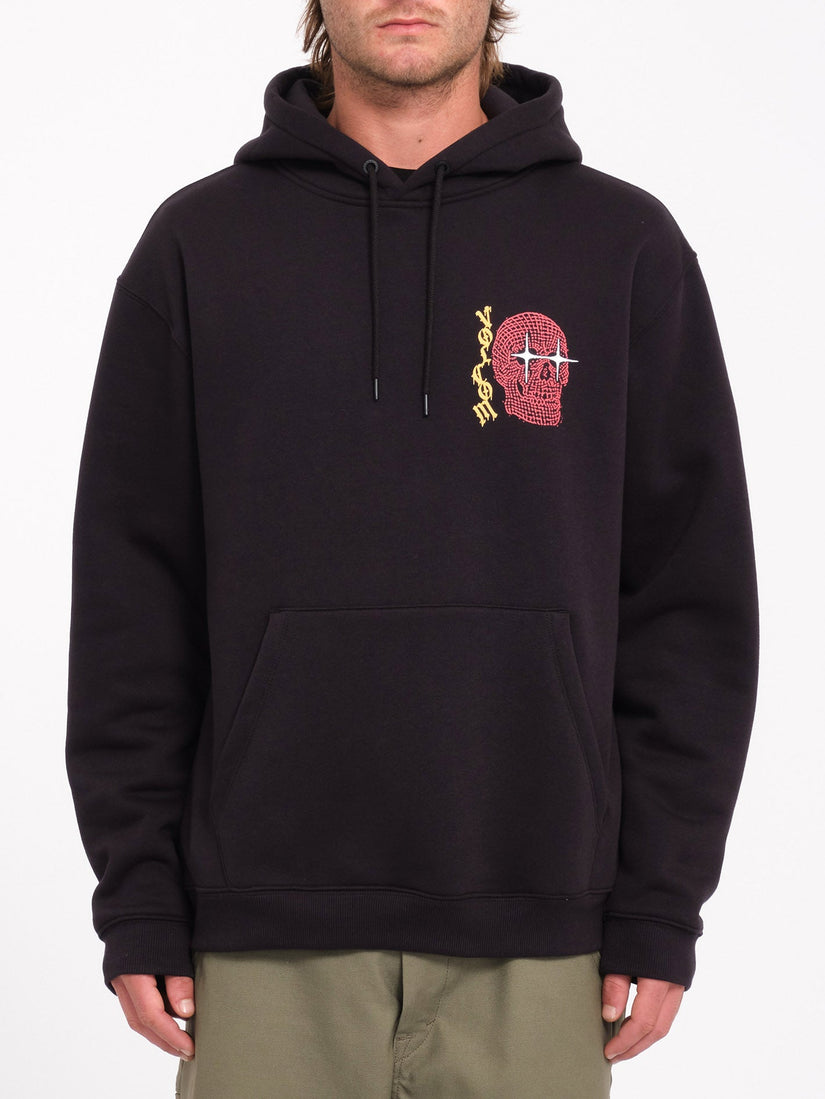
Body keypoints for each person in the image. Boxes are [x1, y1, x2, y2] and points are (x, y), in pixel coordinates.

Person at [65, 2, 759, 1095]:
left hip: (546, 932)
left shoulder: (621, 245)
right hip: (257, 934)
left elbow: (689, 599)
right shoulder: (200, 244)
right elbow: (132, 596)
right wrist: (139, 893)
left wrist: (660, 899)